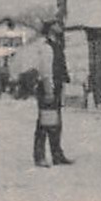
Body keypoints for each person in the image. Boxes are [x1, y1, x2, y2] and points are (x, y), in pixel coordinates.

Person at [34, 21, 73, 166]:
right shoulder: (46, 47)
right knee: (45, 123)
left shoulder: (56, 45)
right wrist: (48, 90)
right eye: (57, 25)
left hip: (55, 87)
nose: (60, 27)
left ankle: (57, 155)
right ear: (51, 29)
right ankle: (40, 156)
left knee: (55, 123)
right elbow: (45, 71)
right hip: (48, 88)